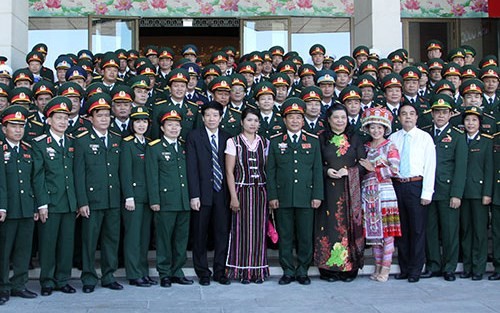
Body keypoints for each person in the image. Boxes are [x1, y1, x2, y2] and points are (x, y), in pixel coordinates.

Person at [267, 97, 323, 285]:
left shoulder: (313, 141)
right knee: (285, 236)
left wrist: (317, 196)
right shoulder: (275, 142)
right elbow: (271, 171)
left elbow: (317, 171)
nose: (295, 121)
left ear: (303, 119)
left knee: (305, 236)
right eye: (291, 117)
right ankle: (288, 270)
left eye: (298, 117)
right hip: (283, 198)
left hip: (306, 197)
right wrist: (272, 196)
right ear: (284, 120)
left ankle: (302, 270)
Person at [74, 93, 123, 293]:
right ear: (91, 118)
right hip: (92, 200)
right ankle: (88, 277)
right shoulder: (82, 140)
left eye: (106, 115)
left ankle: (109, 275)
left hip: (112, 199)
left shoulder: (117, 139)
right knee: (89, 241)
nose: (104, 119)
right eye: (99, 115)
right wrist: (82, 202)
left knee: (111, 240)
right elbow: (78, 174)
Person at [313, 103, 365, 283]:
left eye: (343, 117)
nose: (340, 121)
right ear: (329, 119)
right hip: (328, 190)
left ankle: (349, 268)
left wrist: (349, 171)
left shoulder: (355, 139)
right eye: (336, 117)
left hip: (349, 191)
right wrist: (326, 171)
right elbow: (315, 163)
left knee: (347, 226)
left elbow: (364, 164)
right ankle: (329, 269)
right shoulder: (321, 139)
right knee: (327, 225)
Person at [32, 97, 77, 296]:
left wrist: (77, 201)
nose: (63, 122)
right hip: (50, 202)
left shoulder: (72, 142)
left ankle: (62, 279)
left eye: (65, 118)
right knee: (48, 244)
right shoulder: (40, 143)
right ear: (48, 120)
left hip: (68, 202)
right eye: (58, 118)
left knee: (66, 244)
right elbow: (38, 176)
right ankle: (47, 281)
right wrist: (41, 204)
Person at [389, 102, 436, 283]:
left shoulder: (425, 138)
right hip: (398, 185)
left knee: (417, 230)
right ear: (398, 117)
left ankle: (416, 269)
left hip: (416, 185)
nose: (407, 117)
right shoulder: (393, 138)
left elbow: (430, 166)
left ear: (417, 117)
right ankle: (405, 268)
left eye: (411, 114)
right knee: (402, 230)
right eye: (404, 114)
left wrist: (427, 193)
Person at [422, 94, 467, 282]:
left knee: (449, 231)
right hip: (427, 189)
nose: (440, 116)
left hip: (447, 190)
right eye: (437, 112)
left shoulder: (457, 136)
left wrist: (457, 194)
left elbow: (461, 167)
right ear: (432, 114)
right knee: (430, 230)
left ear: (450, 114)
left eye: (444, 112)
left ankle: (449, 266)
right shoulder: (425, 133)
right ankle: (433, 265)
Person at [186, 101, 232, 286]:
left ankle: (220, 271)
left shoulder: (228, 137)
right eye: (208, 115)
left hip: (222, 194)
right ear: (203, 117)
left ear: (221, 118)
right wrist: (194, 195)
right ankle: (203, 272)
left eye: (215, 115)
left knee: (222, 233)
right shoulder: (194, 136)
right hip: (202, 194)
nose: (211, 119)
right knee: (200, 234)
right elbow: (191, 168)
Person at [146, 108, 193, 288]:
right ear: (163, 128)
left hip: (183, 200)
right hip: (165, 202)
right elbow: (152, 176)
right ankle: (164, 272)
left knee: (181, 239)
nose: (174, 128)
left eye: (177, 125)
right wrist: (155, 200)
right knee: (164, 239)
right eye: (170, 125)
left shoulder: (183, 147)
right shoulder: (155, 148)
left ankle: (177, 271)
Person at [225, 107, 270, 284]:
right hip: (241, 191)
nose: (252, 124)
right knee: (241, 231)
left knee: (259, 231)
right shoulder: (233, 141)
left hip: (260, 192)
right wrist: (233, 197)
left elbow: (266, 168)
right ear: (242, 122)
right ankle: (242, 271)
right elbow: (229, 171)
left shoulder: (265, 142)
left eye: (255, 121)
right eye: (249, 120)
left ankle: (258, 270)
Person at [359, 107, 401, 282]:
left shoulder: (389, 145)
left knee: (387, 233)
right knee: (374, 232)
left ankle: (386, 268)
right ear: (368, 129)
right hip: (368, 191)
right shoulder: (365, 147)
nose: (376, 131)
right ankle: (377, 265)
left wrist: (374, 168)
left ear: (385, 129)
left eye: (380, 128)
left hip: (384, 191)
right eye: (373, 127)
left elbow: (395, 170)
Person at [0, 106, 36, 304]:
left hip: (26, 207)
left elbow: (34, 180)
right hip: (7, 209)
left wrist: (37, 206)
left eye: (21, 126)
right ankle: (3, 287)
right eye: (13, 126)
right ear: (4, 128)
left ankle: (19, 285)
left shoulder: (27, 149)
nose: (18, 130)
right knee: (4, 252)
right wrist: (1, 206)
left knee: (24, 249)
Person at [119, 106, 155, 287]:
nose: (141, 125)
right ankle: (133, 274)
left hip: (147, 196)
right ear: (132, 124)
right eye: (137, 121)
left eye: (144, 121)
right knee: (133, 237)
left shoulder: (148, 143)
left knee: (143, 237)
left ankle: (143, 271)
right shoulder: (127, 143)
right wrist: (128, 196)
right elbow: (125, 172)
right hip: (133, 197)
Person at [459, 106, 493, 280]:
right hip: (462, 193)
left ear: (480, 123)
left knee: (479, 232)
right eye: (467, 120)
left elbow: (489, 169)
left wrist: (487, 193)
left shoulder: (487, 141)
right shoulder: (459, 138)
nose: (470, 123)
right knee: (466, 231)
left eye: (474, 120)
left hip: (479, 193)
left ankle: (478, 268)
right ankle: (468, 266)